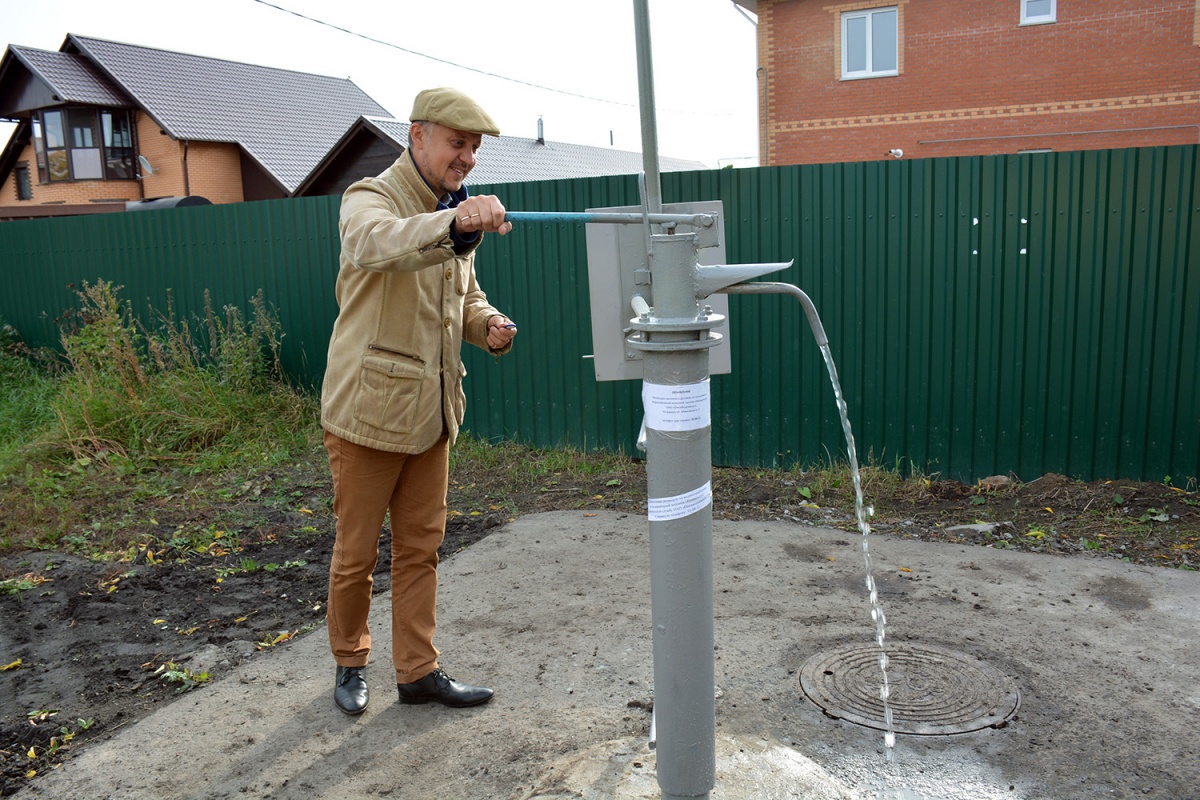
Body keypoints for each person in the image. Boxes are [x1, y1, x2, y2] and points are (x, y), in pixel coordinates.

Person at [320, 87, 518, 716]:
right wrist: (454, 223)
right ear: (419, 136)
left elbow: (463, 294)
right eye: (458, 144)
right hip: (368, 414)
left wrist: (486, 324)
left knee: (420, 550)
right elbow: (375, 245)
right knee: (356, 555)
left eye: (474, 149)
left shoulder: (449, 210)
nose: (468, 159)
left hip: (432, 412)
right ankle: (350, 661)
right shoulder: (370, 198)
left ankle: (418, 671)